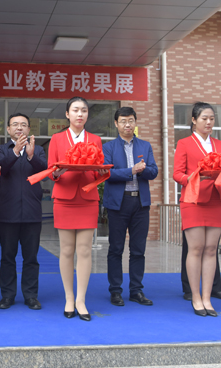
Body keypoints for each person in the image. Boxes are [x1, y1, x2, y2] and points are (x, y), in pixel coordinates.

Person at [173, 102, 221, 317]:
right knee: (196, 248)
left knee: (211, 249)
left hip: (215, 200)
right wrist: (193, 178)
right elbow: (177, 174)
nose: (208, 122)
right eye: (204, 118)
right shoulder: (184, 143)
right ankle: (195, 297)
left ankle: (207, 297)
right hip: (193, 200)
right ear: (194, 120)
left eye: (212, 118)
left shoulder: (219, 145)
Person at [49, 96, 107, 322]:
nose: (80, 114)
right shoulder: (56, 139)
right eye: (75, 110)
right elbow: (51, 171)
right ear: (67, 114)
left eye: (83, 110)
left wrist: (102, 173)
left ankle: (81, 300)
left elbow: (98, 170)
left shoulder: (95, 139)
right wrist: (57, 172)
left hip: (87, 198)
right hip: (64, 198)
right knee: (66, 250)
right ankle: (69, 297)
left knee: (84, 251)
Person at [103, 106, 158, 307]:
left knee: (138, 249)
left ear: (135, 122)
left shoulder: (145, 146)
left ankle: (136, 290)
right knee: (115, 249)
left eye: (131, 121)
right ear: (116, 124)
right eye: (123, 121)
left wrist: (143, 171)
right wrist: (131, 171)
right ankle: (115, 291)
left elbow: (154, 171)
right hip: (118, 203)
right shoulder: (108, 147)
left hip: (140, 203)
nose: (128, 125)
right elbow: (106, 173)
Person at [0, 113, 47, 310]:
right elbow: (1, 170)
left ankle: (31, 295)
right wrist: (15, 152)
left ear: (29, 129)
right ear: (8, 129)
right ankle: (7, 295)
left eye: (23, 125)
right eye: (15, 124)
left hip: (32, 212)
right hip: (8, 212)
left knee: (31, 258)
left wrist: (31, 155)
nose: (19, 128)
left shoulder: (38, 149)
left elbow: (44, 171)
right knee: (7, 257)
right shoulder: (2, 149)